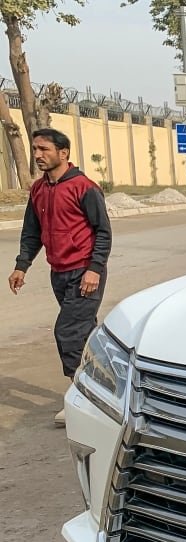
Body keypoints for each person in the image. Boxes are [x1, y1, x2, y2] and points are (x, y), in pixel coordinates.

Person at [7, 128, 112, 427]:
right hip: (60, 273)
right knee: (86, 334)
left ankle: (81, 397)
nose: (38, 155)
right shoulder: (39, 190)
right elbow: (32, 232)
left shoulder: (84, 187)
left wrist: (94, 268)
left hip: (85, 272)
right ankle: (105, 391)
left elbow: (103, 232)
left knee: (68, 332)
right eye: (35, 149)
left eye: (44, 149)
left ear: (63, 153)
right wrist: (21, 265)